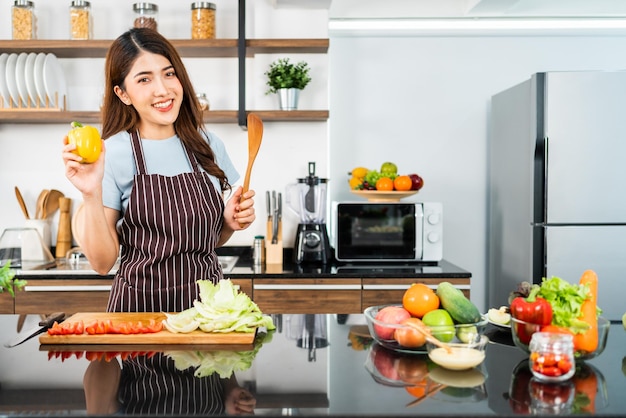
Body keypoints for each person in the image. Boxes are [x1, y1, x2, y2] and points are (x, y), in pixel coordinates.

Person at [62, 27, 256, 313]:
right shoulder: (112, 152)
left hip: (206, 314)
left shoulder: (208, 144)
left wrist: (227, 223)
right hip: (139, 317)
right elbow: (102, 264)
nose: (163, 89)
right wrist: (91, 193)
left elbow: (205, 244)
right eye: (144, 79)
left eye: (168, 73)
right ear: (123, 94)